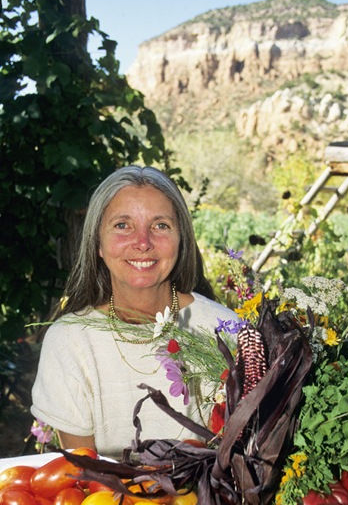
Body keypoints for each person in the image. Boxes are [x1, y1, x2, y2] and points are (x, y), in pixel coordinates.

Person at [31, 165, 239, 460]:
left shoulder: (227, 331)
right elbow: (84, 475)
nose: (143, 243)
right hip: (107, 503)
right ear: (98, 243)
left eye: (160, 225)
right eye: (122, 225)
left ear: (182, 240)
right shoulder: (69, 342)